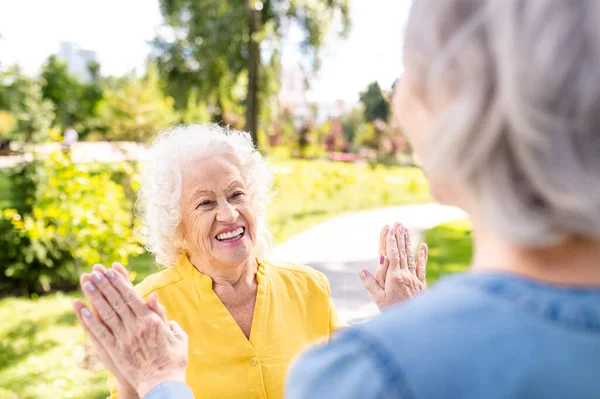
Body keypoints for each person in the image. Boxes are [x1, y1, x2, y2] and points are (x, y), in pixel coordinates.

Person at [286, 0, 600, 398]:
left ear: (460, 105)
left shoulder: (366, 375)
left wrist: (410, 345)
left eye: (409, 70)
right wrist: (412, 323)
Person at [75, 123, 428, 398]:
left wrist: (401, 319)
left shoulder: (307, 287)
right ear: (176, 225)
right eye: (206, 203)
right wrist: (127, 377)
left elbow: (354, 378)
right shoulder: (151, 306)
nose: (229, 214)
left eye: (236, 194)